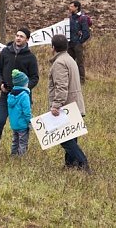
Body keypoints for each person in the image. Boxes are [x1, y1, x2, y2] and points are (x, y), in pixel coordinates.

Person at [0, 28, 39, 154]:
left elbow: (34, 77)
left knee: (21, 126)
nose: (18, 38)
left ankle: (20, 153)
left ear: (27, 39)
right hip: (7, 95)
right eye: (17, 35)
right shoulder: (5, 52)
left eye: (21, 36)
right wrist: (0, 84)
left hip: (22, 97)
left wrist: (26, 88)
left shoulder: (30, 57)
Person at [49, 34, 91, 173]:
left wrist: (56, 105)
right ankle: (70, 164)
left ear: (53, 47)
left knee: (65, 139)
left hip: (67, 106)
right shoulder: (70, 59)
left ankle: (82, 162)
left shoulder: (59, 63)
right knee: (71, 136)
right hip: (75, 104)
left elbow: (61, 87)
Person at [7, 69, 32, 156]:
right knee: (22, 142)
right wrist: (29, 121)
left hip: (14, 124)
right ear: (24, 83)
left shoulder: (10, 95)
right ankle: (21, 158)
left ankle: (13, 154)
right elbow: (27, 111)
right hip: (22, 124)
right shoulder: (24, 96)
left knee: (15, 140)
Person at [67, 1, 90, 83]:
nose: (69, 8)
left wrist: (79, 42)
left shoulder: (82, 18)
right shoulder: (69, 18)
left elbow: (86, 33)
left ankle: (82, 81)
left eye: (71, 6)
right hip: (69, 44)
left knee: (79, 63)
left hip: (77, 44)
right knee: (69, 63)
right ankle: (70, 80)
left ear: (76, 7)